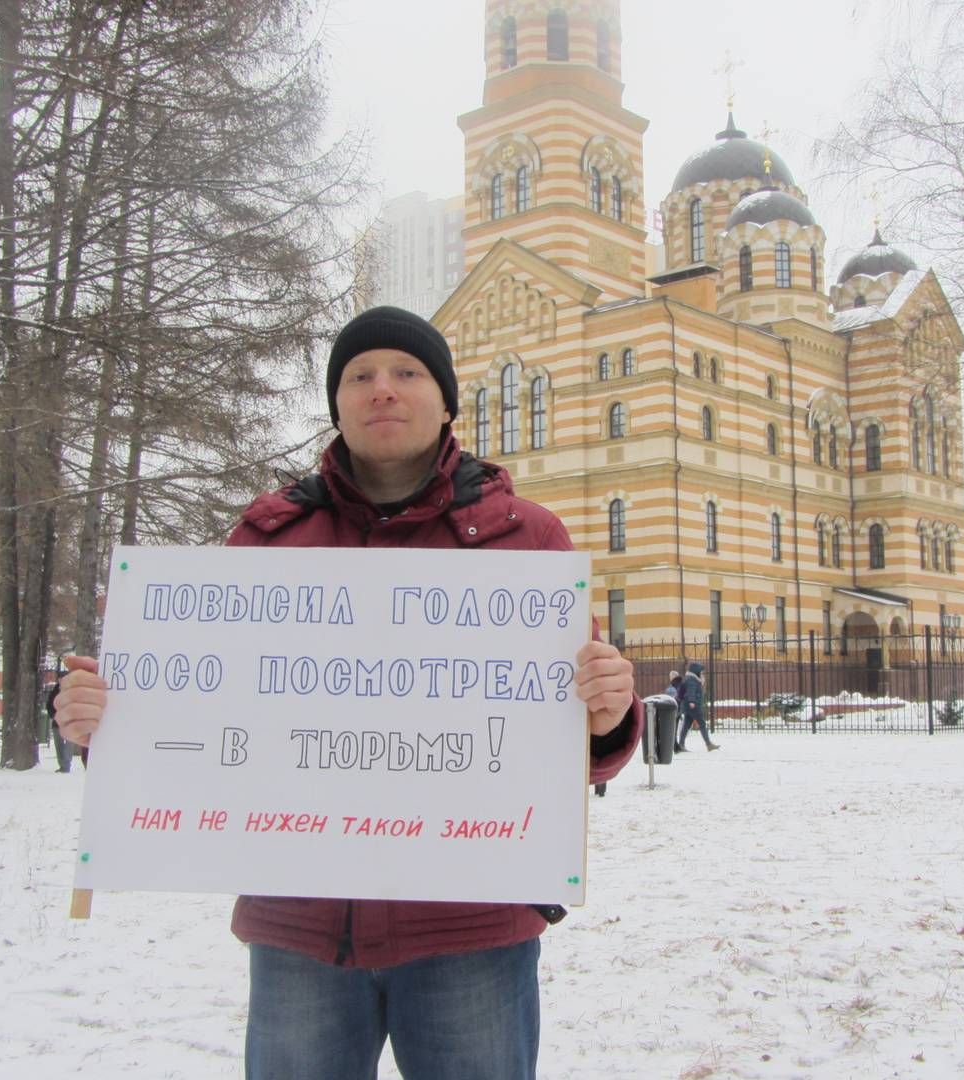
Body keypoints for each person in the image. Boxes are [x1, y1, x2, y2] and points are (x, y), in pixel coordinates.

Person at [54, 305, 640, 1080]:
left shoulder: (527, 542)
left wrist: (607, 713)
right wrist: (107, 724)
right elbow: (204, 717)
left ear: (446, 400)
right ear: (337, 404)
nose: (382, 390)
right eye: (360, 376)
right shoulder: (264, 540)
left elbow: (572, 747)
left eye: (407, 372)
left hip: (472, 930)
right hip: (302, 934)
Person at [676, 660, 716, 751]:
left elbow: (684, 692)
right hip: (693, 705)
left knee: (686, 725)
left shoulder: (689, 678)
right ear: (696, 671)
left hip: (689, 705)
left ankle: (681, 744)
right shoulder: (692, 680)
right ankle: (708, 744)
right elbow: (691, 691)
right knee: (702, 723)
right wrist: (692, 701)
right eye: (701, 672)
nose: (702, 673)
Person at [46, 673, 72, 773]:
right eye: (60, 679)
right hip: (57, 722)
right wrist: (54, 715)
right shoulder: (54, 691)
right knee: (59, 744)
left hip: (69, 722)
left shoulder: (71, 690)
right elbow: (49, 705)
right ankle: (62, 765)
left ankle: (67, 764)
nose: (61, 681)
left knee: (69, 744)